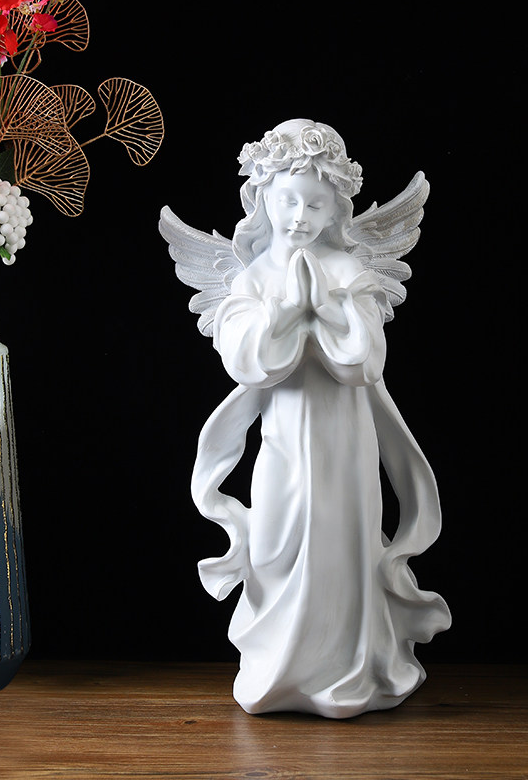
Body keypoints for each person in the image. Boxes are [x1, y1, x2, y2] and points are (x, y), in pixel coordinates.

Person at [160, 119, 451, 718]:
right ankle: (279, 669)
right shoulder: (252, 277)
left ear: (335, 209)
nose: (299, 216)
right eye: (287, 200)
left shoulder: (347, 271)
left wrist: (328, 309)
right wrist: (287, 312)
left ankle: (348, 669)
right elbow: (244, 360)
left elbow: (367, 362)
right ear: (261, 199)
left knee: (343, 544)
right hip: (284, 435)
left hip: (345, 436)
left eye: (315, 204)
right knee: (277, 542)